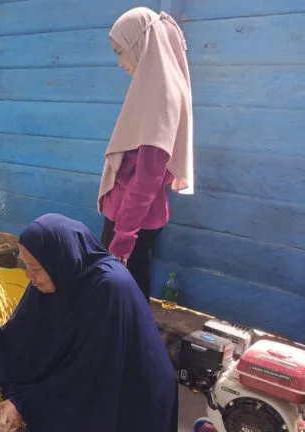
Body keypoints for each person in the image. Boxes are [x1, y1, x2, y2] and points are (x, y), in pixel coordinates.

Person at [0, 213, 178, 432]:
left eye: (35, 268)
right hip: (87, 377)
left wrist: (25, 404)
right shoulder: (54, 276)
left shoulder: (111, 290)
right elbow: (15, 340)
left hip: (130, 394)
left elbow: (91, 375)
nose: (29, 276)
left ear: (60, 261)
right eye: (27, 266)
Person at [98, 7, 194, 301]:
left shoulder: (159, 97)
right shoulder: (154, 88)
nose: (119, 62)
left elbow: (146, 181)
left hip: (131, 223)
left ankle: (129, 345)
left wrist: (123, 240)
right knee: (124, 293)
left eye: (120, 51)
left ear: (140, 45)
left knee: (124, 296)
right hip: (131, 217)